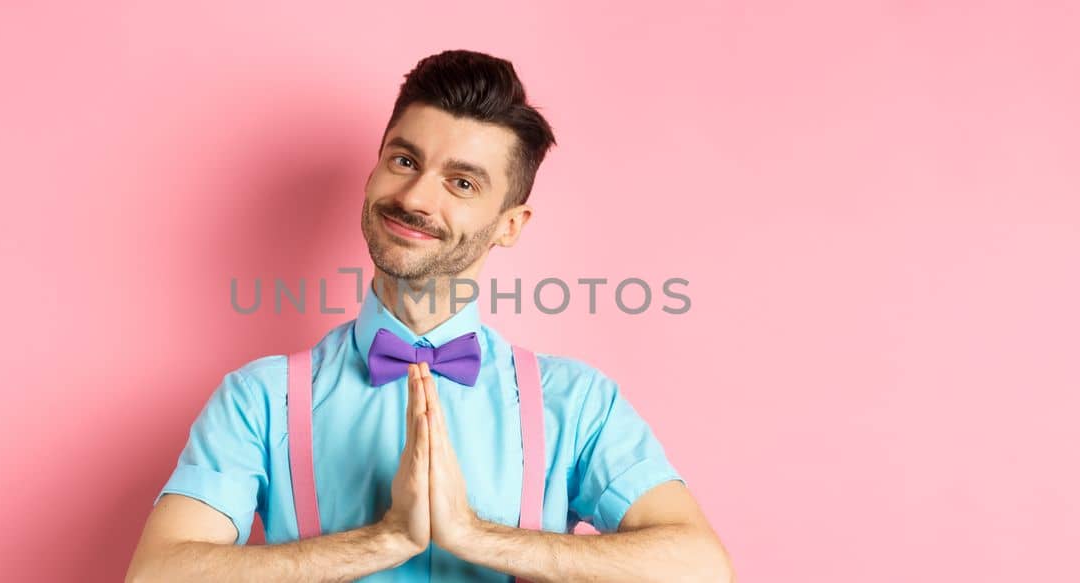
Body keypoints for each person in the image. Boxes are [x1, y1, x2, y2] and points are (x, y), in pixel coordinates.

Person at [126, 49, 734, 582]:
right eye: (405, 161)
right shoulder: (258, 399)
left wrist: (475, 535)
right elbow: (157, 573)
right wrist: (380, 541)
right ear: (373, 171)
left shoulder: (575, 403)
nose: (416, 198)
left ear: (509, 225)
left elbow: (701, 569)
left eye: (462, 184)